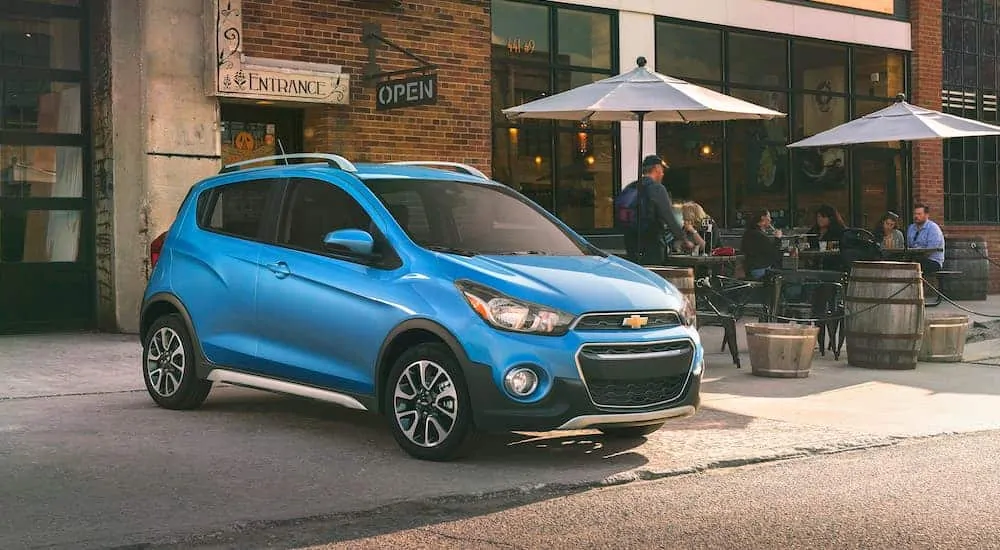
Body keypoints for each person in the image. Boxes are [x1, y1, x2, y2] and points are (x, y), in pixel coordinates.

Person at [620, 155, 692, 265]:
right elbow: (668, 216)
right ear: (656, 169)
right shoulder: (657, 188)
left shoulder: (630, 188)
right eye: (662, 170)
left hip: (631, 244)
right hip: (652, 244)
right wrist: (684, 240)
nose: (662, 174)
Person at [741, 209, 783, 280]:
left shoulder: (750, 232)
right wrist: (778, 238)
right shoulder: (758, 235)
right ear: (763, 218)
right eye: (769, 217)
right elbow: (772, 253)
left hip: (754, 267)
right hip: (760, 269)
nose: (770, 220)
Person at [906, 203, 946, 277]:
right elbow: (909, 246)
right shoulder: (911, 228)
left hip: (933, 261)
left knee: (914, 264)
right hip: (915, 258)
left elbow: (930, 251)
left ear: (926, 215)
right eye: (915, 214)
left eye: (919, 214)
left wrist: (915, 257)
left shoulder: (933, 228)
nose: (916, 216)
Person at [807, 204, 847, 271]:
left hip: (832, 266)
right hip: (814, 266)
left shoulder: (839, 232)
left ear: (831, 218)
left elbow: (837, 249)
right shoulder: (813, 231)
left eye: (823, 217)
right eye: (818, 217)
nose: (820, 219)